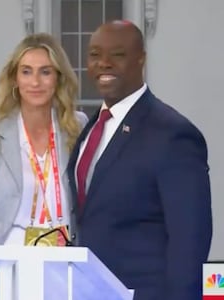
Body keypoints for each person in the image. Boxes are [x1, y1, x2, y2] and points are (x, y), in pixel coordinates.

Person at [67, 20, 212, 300]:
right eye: (95, 55)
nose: (104, 63)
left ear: (141, 60)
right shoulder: (90, 128)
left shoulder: (173, 134)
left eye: (117, 55)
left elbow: (190, 240)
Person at [0, 32, 88, 248]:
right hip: (3, 262)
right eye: (26, 72)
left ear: (58, 78)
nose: (35, 82)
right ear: (15, 78)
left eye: (45, 72)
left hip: (62, 261)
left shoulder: (76, 128)